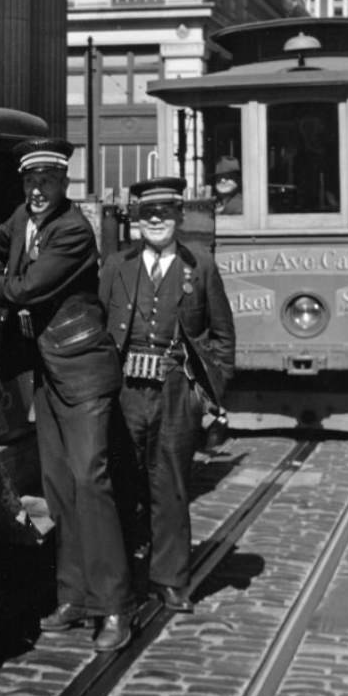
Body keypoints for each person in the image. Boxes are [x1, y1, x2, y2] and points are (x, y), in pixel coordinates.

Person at [0, 137, 135, 651]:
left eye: (47, 182)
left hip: (83, 373)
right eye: (31, 182)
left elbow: (26, 289)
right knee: (60, 487)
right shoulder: (24, 219)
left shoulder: (73, 231)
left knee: (91, 482)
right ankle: (73, 599)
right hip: (47, 373)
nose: (38, 191)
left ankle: (114, 609)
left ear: (64, 183)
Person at [99, 177, 235, 613]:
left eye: (164, 213)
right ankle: (123, 581)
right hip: (124, 393)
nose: (155, 220)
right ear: (137, 220)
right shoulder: (116, 267)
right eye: (146, 214)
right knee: (122, 482)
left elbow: (223, 336)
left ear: (179, 216)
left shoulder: (202, 267)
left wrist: (208, 395)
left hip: (176, 391)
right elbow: (99, 329)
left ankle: (171, 579)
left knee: (171, 486)